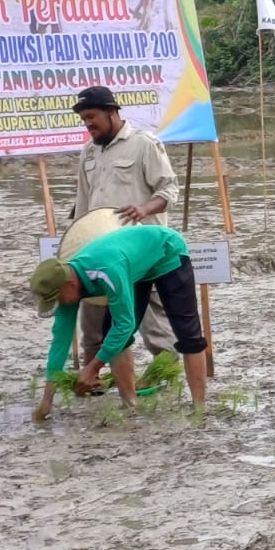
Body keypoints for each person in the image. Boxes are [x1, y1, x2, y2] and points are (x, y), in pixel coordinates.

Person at [29, 225, 209, 419]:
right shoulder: (66, 288)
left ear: (70, 284)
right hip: (134, 265)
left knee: (187, 332)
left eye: (57, 298)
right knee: (111, 334)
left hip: (167, 251)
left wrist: (93, 367)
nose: (59, 303)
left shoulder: (106, 271)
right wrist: (46, 401)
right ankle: (131, 406)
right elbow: (60, 341)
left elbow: (125, 324)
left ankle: (199, 408)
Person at [70, 85, 180, 367]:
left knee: (152, 320)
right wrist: (75, 249)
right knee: (92, 321)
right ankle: (92, 379)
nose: (88, 124)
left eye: (92, 116)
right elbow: (83, 207)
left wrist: (143, 209)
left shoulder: (144, 144)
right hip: (98, 252)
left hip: (140, 250)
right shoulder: (88, 153)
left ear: (111, 112)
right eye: (84, 119)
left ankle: (166, 377)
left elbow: (169, 191)